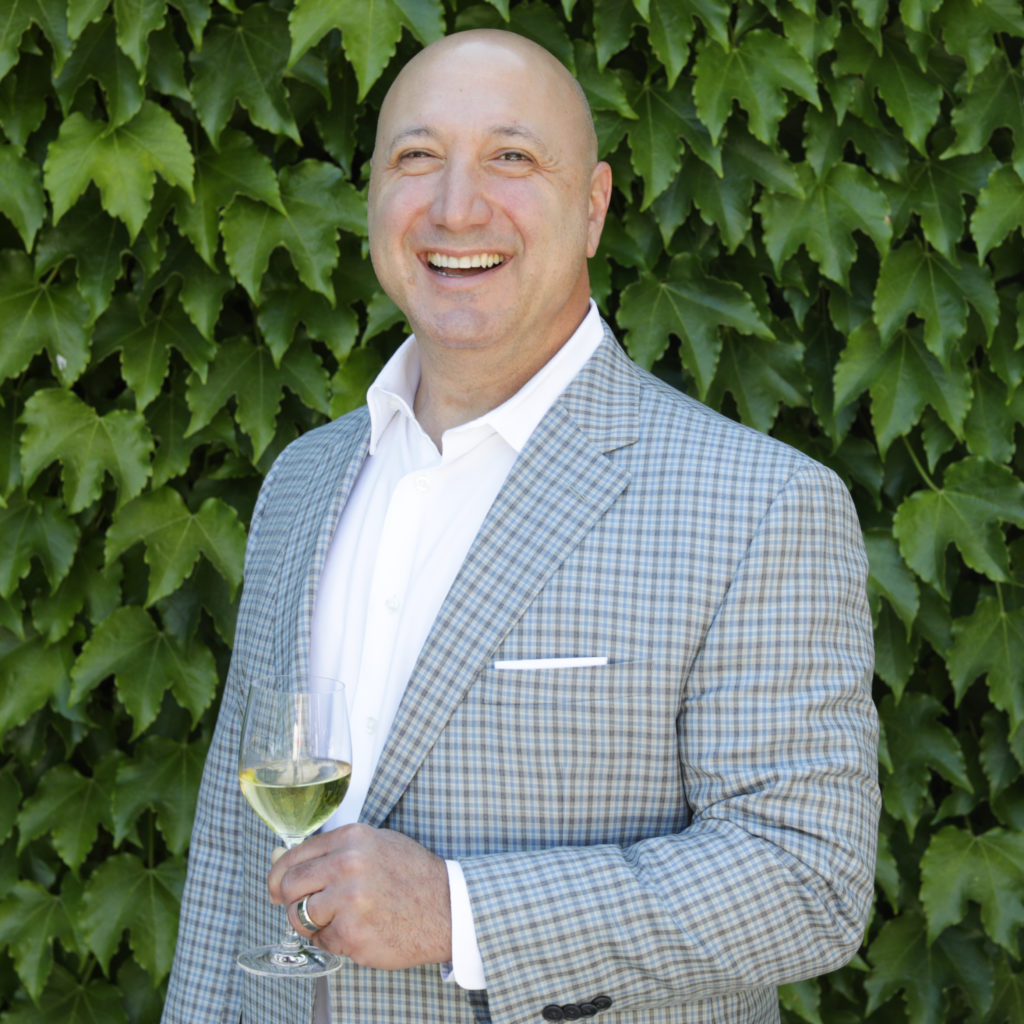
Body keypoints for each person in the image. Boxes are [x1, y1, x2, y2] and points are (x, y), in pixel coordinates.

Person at [162, 28, 880, 1024]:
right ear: (371, 194)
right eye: (416, 159)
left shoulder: (759, 505)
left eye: (511, 158)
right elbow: (234, 862)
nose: (456, 207)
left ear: (591, 207)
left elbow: (806, 881)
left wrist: (465, 914)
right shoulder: (303, 479)